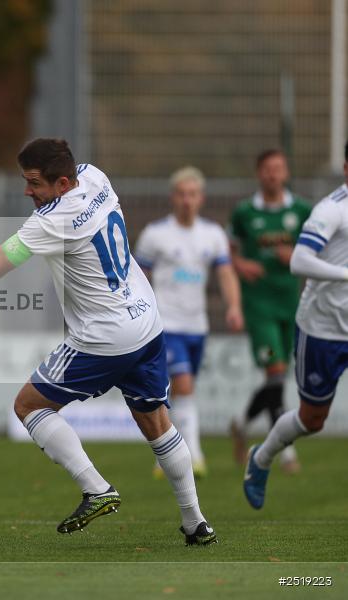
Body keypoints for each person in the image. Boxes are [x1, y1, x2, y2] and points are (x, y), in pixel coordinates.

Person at [0, 138, 216, 545]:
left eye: (34, 183)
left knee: (28, 406)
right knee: (156, 421)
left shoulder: (50, 219)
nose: (28, 191)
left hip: (104, 335)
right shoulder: (94, 176)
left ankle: (96, 488)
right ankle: (195, 522)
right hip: (145, 319)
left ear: (62, 183)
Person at [243, 143, 348, 509]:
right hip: (323, 328)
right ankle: (263, 457)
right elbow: (300, 261)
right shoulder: (331, 209)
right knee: (312, 419)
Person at [135, 166, 244, 478]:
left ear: (201, 198)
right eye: (182, 194)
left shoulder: (213, 234)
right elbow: (139, 277)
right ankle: (193, 455)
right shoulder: (156, 234)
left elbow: (225, 273)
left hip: (198, 326)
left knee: (181, 393)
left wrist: (234, 306)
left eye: (192, 194)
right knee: (183, 385)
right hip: (166, 325)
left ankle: (164, 458)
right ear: (173, 197)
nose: (187, 200)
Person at [228, 150, 312, 470]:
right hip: (258, 303)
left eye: (278, 169)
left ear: (286, 173)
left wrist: (297, 254)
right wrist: (241, 263)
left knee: (279, 376)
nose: (273, 175)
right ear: (258, 174)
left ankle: (241, 421)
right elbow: (228, 252)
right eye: (267, 169)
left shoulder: (302, 210)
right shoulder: (245, 213)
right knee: (275, 374)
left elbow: (321, 250)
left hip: (292, 303)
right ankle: (286, 452)